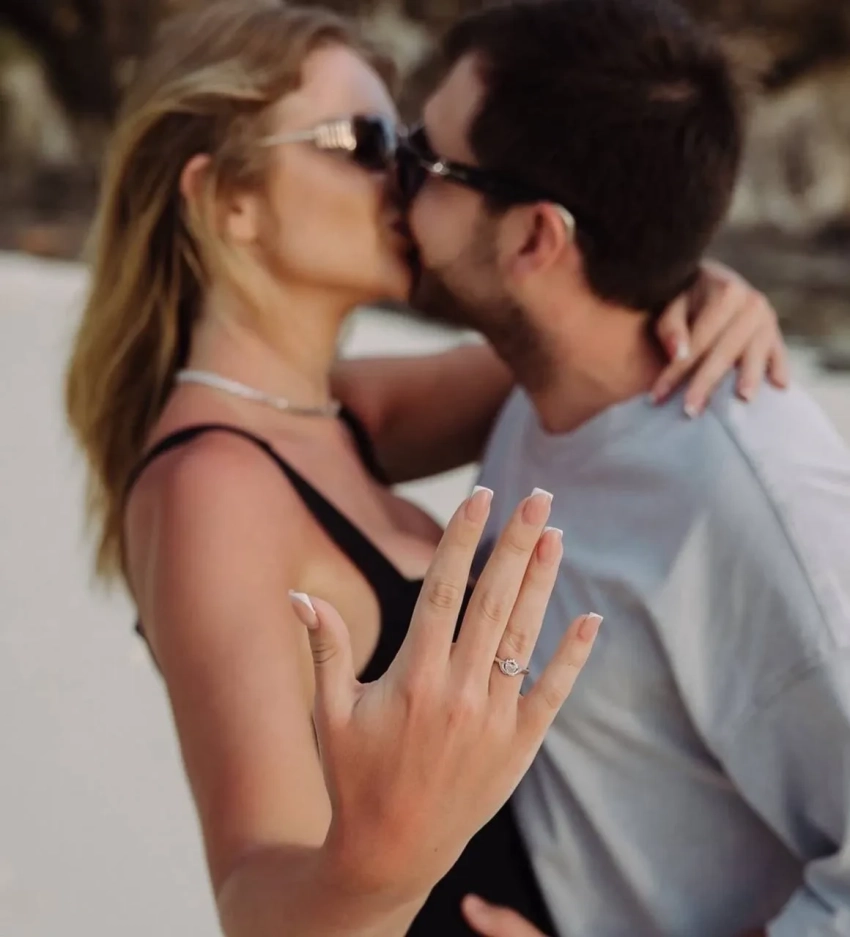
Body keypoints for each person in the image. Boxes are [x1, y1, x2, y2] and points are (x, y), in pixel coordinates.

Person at [64, 1, 787, 934]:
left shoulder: (331, 417)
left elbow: (578, 331)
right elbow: (252, 899)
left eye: (407, 144)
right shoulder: (213, 487)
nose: (405, 176)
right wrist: (387, 857)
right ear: (228, 200)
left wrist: (703, 288)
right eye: (363, 144)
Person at [365, 1, 849, 935]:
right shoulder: (547, 388)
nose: (395, 181)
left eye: (428, 162)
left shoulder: (754, 506)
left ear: (536, 240)